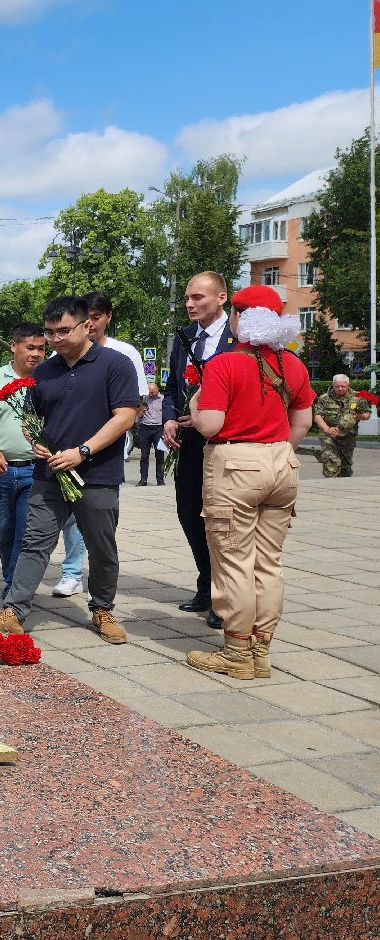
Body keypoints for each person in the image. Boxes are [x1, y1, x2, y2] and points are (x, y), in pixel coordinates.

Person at [0, 296, 140, 644]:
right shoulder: (44, 371)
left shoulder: (115, 364)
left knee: (102, 546)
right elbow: (31, 420)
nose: (55, 340)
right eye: (50, 332)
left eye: (64, 331)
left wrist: (83, 452)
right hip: (49, 474)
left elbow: (126, 416)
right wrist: (35, 440)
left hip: (97, 475)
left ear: (87, 325)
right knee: (35, 542)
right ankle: (15, 610)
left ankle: (102, 609)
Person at [184, 286, 314, 680]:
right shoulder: (294, 364)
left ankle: (237, 652)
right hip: (281, 463)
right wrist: (275, 450)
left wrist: (195, 401)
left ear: (239, 317)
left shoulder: (225, 363)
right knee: (268, 563)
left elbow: (210, 425)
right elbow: (303, 422)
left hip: (235, 466)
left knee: (234, 562)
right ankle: (261, 650)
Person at [49, 291, 148, 597]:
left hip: (103, 454)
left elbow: (135, 406)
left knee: (98, 527)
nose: (90, 323)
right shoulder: (58, 356)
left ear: (107, 318)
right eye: (86, 317)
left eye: (95, 317)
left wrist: (96, 437)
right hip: (63, 456)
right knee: (68, 523)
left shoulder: (122, 355)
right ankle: (72, 571)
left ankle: (100, 592)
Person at [163, 272, 236, 628]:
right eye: (188, 298)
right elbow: (171, 386)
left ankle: (226, 596)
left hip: (225, 443)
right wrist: (169, 419)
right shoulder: (184, 338)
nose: (190, 304)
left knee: (221, 520)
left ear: (221, 297)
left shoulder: (239, 339)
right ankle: (205, 583)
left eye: (199, 298)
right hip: (189, 444)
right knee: (189, 513)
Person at [0, 322, 47, 598]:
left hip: (36, 469)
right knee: (4, 532)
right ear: (14, 346)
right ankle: (12, 580)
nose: (36, 354)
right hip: (1, 469)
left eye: (41, 348)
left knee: (26, 534)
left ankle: (16, 591)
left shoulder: (49, 378)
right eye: (30, 347)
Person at [313, 374, 372, 478]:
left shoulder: (357, 397)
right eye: (337, 386)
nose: (340, 389)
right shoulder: (324, 398)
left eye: (343, 386)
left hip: (348, 437)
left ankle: (343, 486)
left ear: (348, 385)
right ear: (333, 385)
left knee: (345, 468)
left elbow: (367, 414)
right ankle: (330, 485)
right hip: (329, 435)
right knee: (331, 461)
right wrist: (327, 429)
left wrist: (358, 416)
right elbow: (317, 416)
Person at [135, 379, 165, 486]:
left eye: (152, 392)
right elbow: (137, 416)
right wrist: (141, 411)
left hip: (158, 429)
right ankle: (143, 479)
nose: (151, 394)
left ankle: (160, 480)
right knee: (144, 456)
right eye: (149, 392)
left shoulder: (163, 399)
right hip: (145, 429)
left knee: (160, 456)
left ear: (157, 390)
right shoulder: (144, 399)